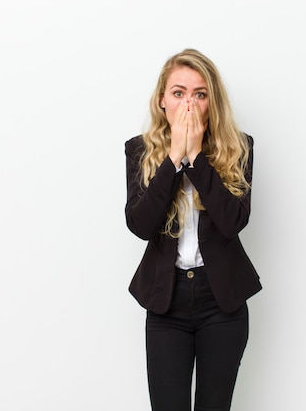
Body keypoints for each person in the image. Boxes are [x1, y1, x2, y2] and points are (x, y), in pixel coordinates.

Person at [124, 48, 261, 411]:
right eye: (179, 93)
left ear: (211, 103)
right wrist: (173, 159)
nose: (189, 104)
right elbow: (140, 224)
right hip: (166, 303)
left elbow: (233, 222)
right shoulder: (141, 151)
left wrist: (197, 158)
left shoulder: (238, 148)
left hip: (221, 302)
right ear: (162, 101)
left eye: (200, 94)